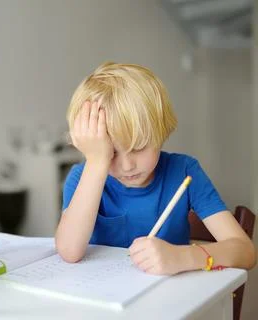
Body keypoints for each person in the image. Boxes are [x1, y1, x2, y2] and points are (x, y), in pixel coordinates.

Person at [55, 62, 256, 275]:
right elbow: (69, 251)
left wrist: (183, 256)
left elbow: (245, 252)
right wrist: (96, 163)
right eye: (110, 153)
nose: (127, 165)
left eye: (139, 147)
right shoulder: (82, 177)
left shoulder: (184, 170)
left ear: (161, 132)